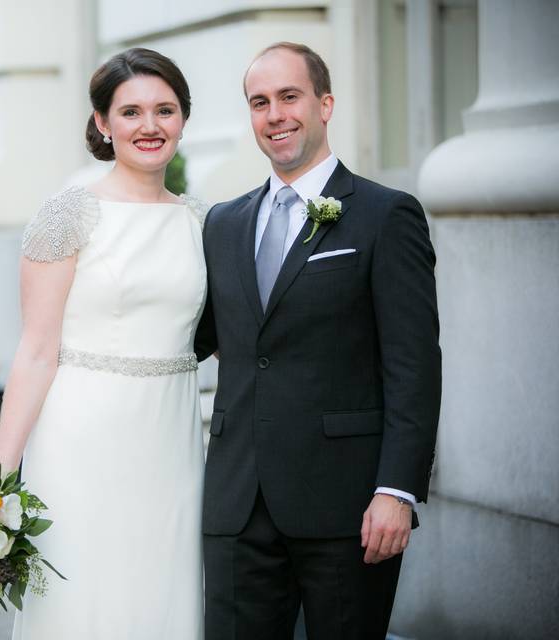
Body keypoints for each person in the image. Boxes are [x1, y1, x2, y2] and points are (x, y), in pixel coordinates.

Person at [195, 42, 441, 639]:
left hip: (347, 507)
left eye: (289, 97)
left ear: (325, 104)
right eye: (260, 102)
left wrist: (397, 490)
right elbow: (194, 336)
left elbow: (413, 363)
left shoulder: (386, 215)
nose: (275, 114)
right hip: (238, 504)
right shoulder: (222, 223)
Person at [0, 48, 208, 639]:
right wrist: (0, 473)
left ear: (183, 120)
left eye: (165, 110)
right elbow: (36, 350)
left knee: (163, 594)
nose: (149, 126)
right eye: (131, 111)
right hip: (82, 441)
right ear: (102, 122)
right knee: (82, 598)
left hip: (172, 442)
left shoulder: (198, 221)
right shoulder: (68, 215)